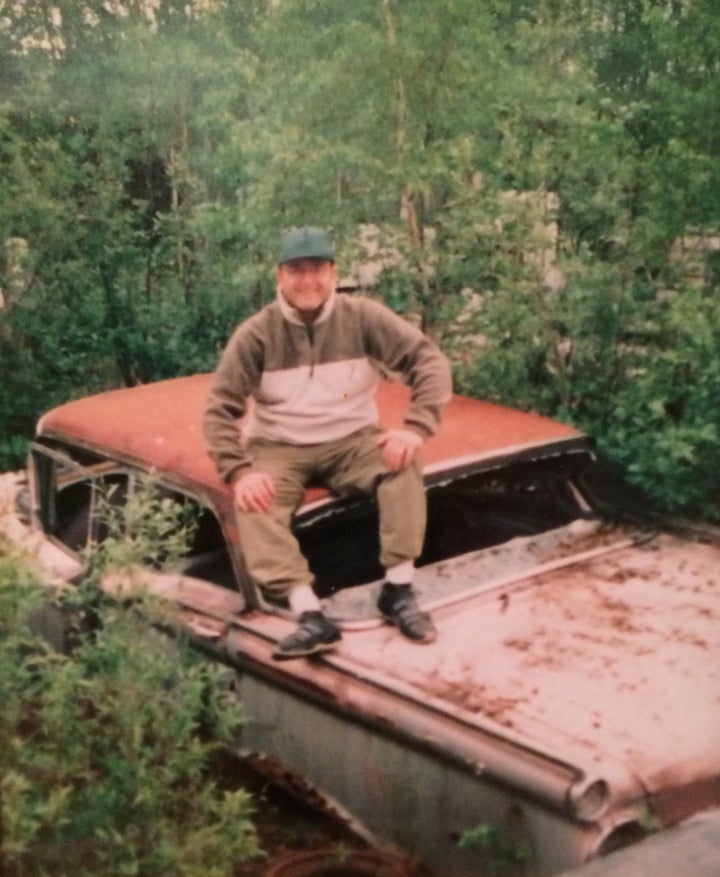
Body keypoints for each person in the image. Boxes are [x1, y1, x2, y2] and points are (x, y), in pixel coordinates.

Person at [203, 226, 452, 660]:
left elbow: (428, 361)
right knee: (253, 501)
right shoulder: (256, 333)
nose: (308, 280)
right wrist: (239, 471)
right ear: (278, 276)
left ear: (333, 272)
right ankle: (310, 615)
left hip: (352, 441)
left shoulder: (363, 316)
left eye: (317, 269)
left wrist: (415, 427)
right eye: (296, 270)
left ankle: (398, 590)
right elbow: (218, 409)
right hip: (280, 446)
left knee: (403, 461)